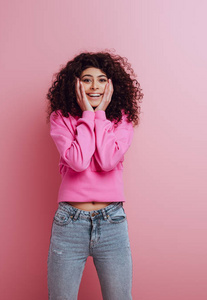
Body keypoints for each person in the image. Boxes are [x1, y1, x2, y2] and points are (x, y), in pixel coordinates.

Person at [45, 50, 143, 299]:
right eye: (87, 79)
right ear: (76, 83)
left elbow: (108, 160)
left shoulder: (122, 120)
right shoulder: (61, 119)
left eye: (101, 79)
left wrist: (100, 116)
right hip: (69, 223)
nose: (94, 86)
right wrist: (87, 113)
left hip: (112, 222)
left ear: (111, 84)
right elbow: (78, 162)